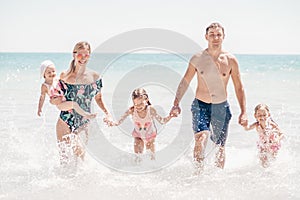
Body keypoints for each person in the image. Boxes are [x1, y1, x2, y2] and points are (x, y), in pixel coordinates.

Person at [170, 22, 248, 169]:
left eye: (218, 34)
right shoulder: (198, 58)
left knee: (219, 147)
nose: (215, 37)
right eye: (212, 35)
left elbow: (239, 87)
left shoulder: (230, 60)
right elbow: (185, 81)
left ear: (223, 37)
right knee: (201, 139)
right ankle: (198, 175)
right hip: (201, 105)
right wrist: (176, 104)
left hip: (221, 107)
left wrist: (243, 112)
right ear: (206, 37)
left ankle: (217, 179)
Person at [51, 41, 111, 164]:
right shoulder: (65, 75)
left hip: (84, 121)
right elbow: (56, 97)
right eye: (80, 54)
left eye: (86, 55)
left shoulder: (95, 77)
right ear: (74, 54)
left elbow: (98, 98)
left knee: (79, 153)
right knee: (64, 158)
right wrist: (54, 100)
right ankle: (63, 182)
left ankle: (84, 181)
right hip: (64, 120)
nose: (83, 58)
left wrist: (107, 113)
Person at [105, 88, 174, 160]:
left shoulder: (151, 110)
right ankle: (137, 168)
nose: (138, 106)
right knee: (138, 157)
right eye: (135, 104)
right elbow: (119, 121)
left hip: (150, 136)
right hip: (138, 136)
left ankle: (152, 169)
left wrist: (171, 116)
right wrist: (112, 123)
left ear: (146, 100)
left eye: (141, 103)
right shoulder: (132, 110)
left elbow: (162, 121)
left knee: (151, 158)